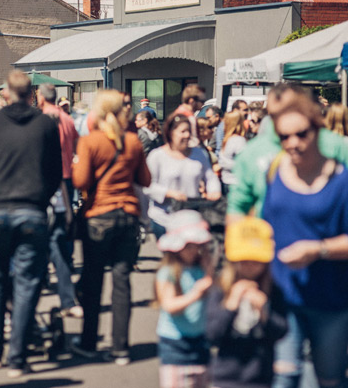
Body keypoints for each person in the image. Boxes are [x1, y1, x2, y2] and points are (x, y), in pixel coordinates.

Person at [0, 70, 61, 378]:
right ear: (32, 92)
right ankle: (18, 356)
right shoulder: (46, 124)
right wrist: (40, 199)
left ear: (7, 92)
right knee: (27, 284)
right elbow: (55, 172)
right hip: (31, 211)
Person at [260, 96, 348, 388]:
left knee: (328, 380)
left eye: (301, 134)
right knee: (284, 377)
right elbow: (266, 229)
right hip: (284, 296)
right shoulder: (275, 171)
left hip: (331, 298)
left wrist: (319, 250)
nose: (292, 142)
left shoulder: (341, 180)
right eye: (284, 136)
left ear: (318, 129)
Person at [71, 89, 151, 365]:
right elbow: (145, 179)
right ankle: (121, 348)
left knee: (93, 282)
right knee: (122, 282)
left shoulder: (90, 141)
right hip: (128, 215)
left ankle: (89, 343)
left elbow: (80, 181)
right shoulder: (132, 141)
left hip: (99, 217)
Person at [227, 84, 348, 223]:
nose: (293, 143)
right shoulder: (253, 152)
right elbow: (237, 208)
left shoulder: (333, 143)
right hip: (269, 239)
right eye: (276, 115)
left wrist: (323, 245)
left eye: (290, 110)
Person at [206, 217, 287, 388]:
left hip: (260, 377)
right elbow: (212, 334)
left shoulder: (273, 290)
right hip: (225, 377)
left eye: (256, 261)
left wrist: (264, 310)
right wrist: (231, 304)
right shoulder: (221, 288)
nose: (251, 265)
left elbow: (280, 332)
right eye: (244, 260)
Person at [36, 83, 81, 317]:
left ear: (41, 98)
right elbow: (76, 147)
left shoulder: (39, 120)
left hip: (43, 181)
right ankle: (66, 269)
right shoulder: (67, 119)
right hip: (65, 179)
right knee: (62, 230)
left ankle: (43, 277)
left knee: (42, 234)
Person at [155, 210, 213, 388]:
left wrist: (209, 267)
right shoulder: (168, 272)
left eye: (197, 245)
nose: (193, 250)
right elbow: (169, 306)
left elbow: (216, 291)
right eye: (188, 246)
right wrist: (196, 293)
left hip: (201, 340)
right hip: (174, 343)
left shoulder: (201, 270)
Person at [144, 114, 221, 239]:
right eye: (183, 131)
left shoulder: (199, 154)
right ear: (170, 133)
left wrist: (214, 190)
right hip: (164, 218)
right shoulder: (157, 156)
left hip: (191, 216)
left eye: (189, 131)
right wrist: (169, 193)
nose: (187, 135)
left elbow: (210, 177)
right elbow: (147, 186)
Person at [219, 110, 246, 194]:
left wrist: (222, 165)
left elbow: (242, 164)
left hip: (230, 182)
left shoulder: (233, 140)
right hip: (230, 182)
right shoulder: (234, 140)